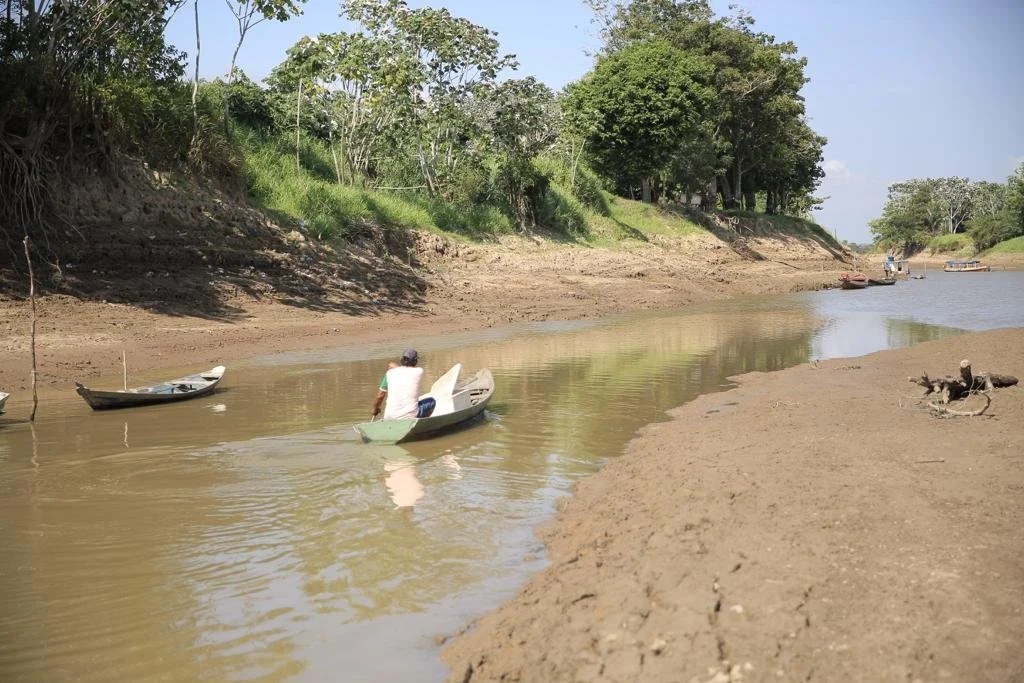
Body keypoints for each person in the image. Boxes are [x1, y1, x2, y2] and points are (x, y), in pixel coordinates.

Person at [372, 349, 429, 420]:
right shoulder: (419, 371)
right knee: (431, 401)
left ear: (402, 359)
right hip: (409, 416)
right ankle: (419, 422)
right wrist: (395, 366)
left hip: (389, 416)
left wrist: (375, 409)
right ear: (415, 361)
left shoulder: (389, 373)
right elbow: (405, 371)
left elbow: (380, 395)